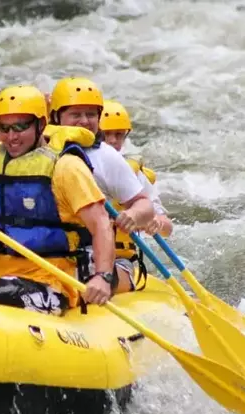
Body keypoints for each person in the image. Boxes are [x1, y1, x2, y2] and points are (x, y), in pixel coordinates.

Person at [0, 85, 115, 315]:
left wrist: (103, 276)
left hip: (50, 282)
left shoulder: (66, 167)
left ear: (41, 124)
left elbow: (101, 224)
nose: (11, 137)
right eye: (4, 128)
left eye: (20, 127)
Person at [47, 77, 154, 293]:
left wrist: (133, 215)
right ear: (57, 117)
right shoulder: (37, 149)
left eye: (91, 114)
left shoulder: (106, 156)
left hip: (105, 260)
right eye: (76, 114)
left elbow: (145, 205)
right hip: (49, 253)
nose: (85, 121)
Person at [100, 99, 173, 237]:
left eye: (119, 134)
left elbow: (167, 227)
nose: (112, 140)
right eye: (106, 134)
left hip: (124, 255)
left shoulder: (133, 172)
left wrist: (157, 222)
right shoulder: (78, 163)